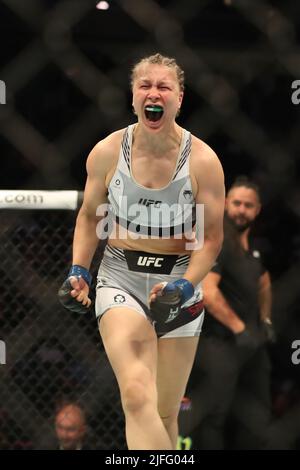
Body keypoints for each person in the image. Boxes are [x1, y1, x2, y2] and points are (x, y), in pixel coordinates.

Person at [58, 53, 225, 450]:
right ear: (133, 97)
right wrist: (79, 270)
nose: (154, 93)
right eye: (145, 85)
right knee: (136, 395)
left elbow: (212, 240)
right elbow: (87, 217)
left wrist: (184, 287)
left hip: (179, 281)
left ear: (179, 98)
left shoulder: (203, 161)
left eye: (163, 86)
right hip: (121, 277)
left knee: (165, 413)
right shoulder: (106, 152)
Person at [185, 176, 274, 449]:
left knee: (257, 416)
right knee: (215, 417)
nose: (241, 210)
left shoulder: (254, 251)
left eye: (248, 205)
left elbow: (264, 281)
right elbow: (208, 292)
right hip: (219, 344)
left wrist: (266, 318)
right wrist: (239, 328)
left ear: (257, 210)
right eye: (236, 203)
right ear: (225, 204)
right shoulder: (218, 242)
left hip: (250, 345)